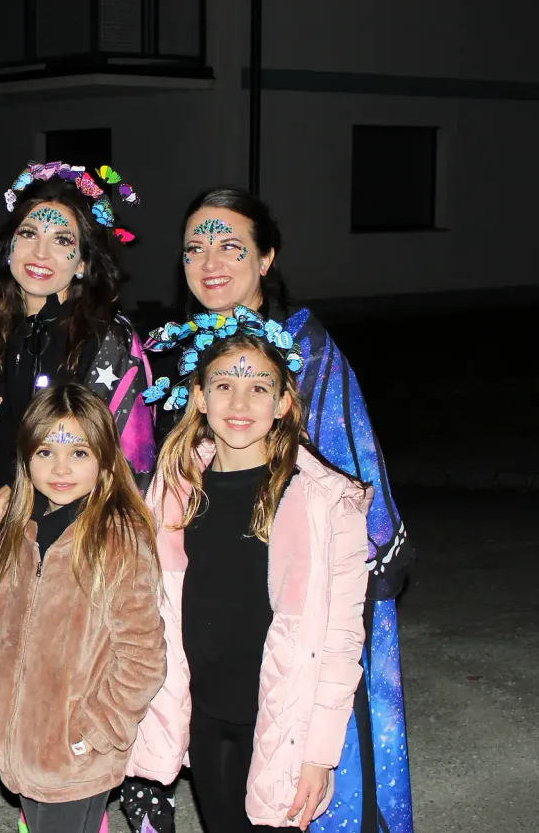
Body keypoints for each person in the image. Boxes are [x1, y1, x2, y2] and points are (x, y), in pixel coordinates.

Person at [121, 187, 413, 833]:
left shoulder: (306, 353)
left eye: (231, 244)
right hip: (214, 661)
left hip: (311, 620)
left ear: (266, 258)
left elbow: (356, 487)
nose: (211, 260)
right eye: (196, 246)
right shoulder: (182, 358)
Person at [128, 307, 370, 831]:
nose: (239, 403)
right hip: (204, 715)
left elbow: (341, 640)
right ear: (198, 396)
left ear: (284, 401)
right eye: (223, 386)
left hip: (281, 722)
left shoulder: (325, 504)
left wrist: (319, 755)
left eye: (259, 388)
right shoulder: (172, 492)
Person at [0, 162, 156, 630]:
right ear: (9, 246)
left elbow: (123, 462)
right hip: (7, 550)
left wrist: (19, 487)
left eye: (62, 240)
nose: (40, 251)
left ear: (83, 262)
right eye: (28, 234)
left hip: (80, 554)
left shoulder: (108, 341)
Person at [0, 383, 166, 833]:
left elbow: (143, 657)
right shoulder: (20, 530)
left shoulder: (117, 538)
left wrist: (94, 733)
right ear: (26, 459)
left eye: (78, 453)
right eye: (45, 453)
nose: (60, 469)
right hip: (19, 740)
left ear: (104, 457)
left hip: (76, 753)